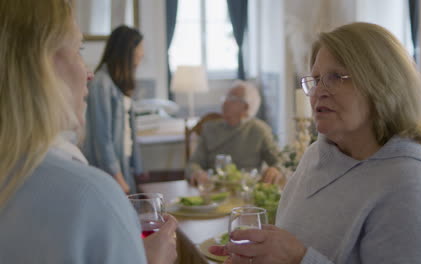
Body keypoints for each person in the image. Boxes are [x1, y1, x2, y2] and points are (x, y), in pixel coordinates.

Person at [210, 22, 421, 263]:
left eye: (336, 77)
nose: (319, 91)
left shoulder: (413, 187)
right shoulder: (315, 156)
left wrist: (298, 258)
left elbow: (297, 254)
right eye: (316, 79)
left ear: (383, 85)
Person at [0, 1, 177, 263]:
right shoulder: (91, 198)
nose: (88, 73)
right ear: (43, 63)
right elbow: (105, 136)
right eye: (79, 50)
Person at [83, 25, 145, 194]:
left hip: (123, 166)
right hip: (110, 172)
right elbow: (102, 138)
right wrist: (118, 178)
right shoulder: (101, 83)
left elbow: (129, 131)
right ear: (128, 50)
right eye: (140, 48)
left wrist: (137, 168)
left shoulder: (119, 84)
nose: (142, 53)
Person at [186, 81, 282, 185]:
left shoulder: (259, 130)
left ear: (246, 107)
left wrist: (276, 169)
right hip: (214, 190)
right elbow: (193, 163)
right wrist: (197, 173)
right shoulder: (210, 128)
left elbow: (280, 161)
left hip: (246, 191)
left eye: (232, 99)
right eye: (225, 98)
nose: (225, 103)